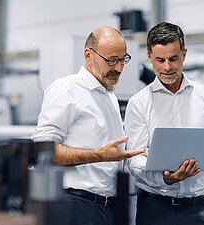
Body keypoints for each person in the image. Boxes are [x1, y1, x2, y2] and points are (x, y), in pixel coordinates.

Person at [31, 26, 145, 225]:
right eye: (111, 60)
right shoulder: (66, 89)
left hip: (110, 206)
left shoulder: (108, 96)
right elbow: (42, 150)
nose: (118, 68)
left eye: (122, 60)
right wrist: (98, 155)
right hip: (77, 204)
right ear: (88, 55)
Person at [125, 22, 204, 225]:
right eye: (160, 60)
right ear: (149, 57)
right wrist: (166, 179)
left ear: (184, 54)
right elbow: (134, 160)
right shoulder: (139, 102)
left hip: (199, 209)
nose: (167, 67)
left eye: (173, 58)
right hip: (155, 210)